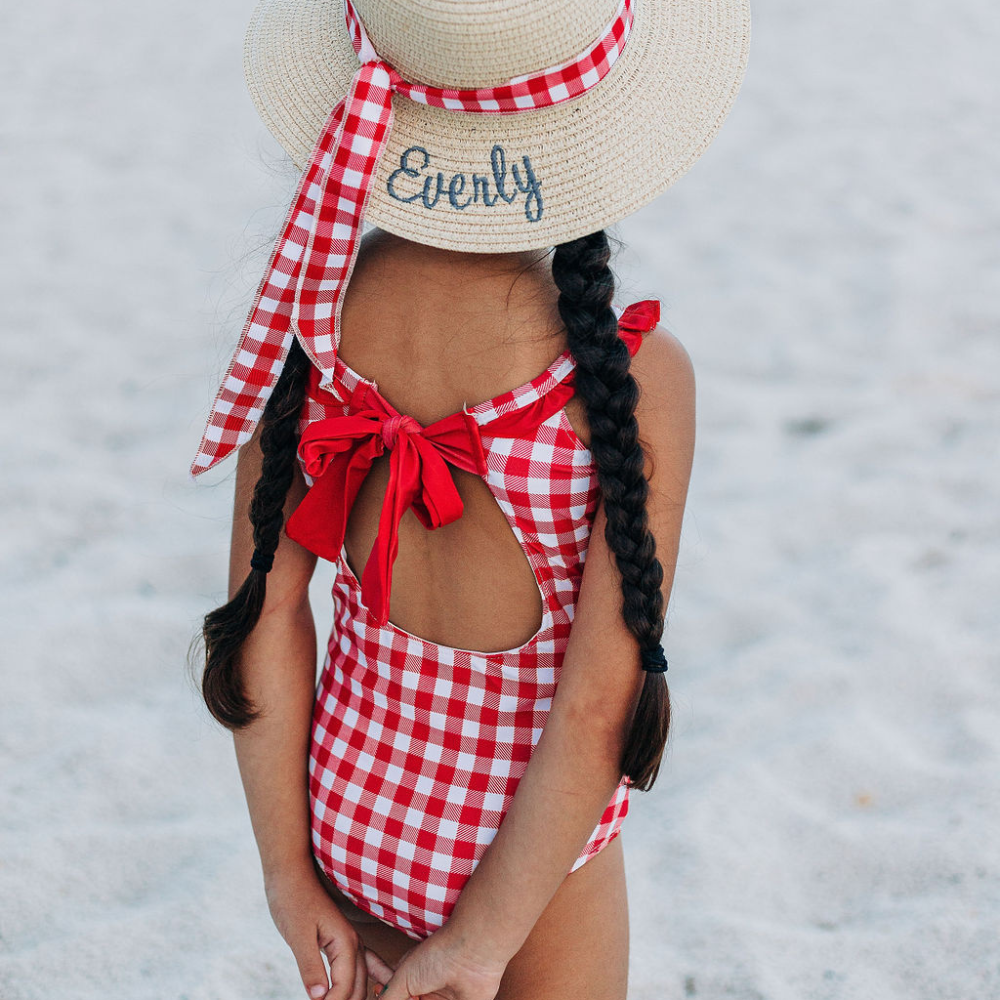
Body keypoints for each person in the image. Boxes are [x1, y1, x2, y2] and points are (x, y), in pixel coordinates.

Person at [189, 1, 750, 997]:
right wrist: (486, 936)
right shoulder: (628, 378)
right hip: (524, 855)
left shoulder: (316, 318)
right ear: (591, 124)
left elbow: (261, 612)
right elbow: (591, 707)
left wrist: (286, 875)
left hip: (348, 816)